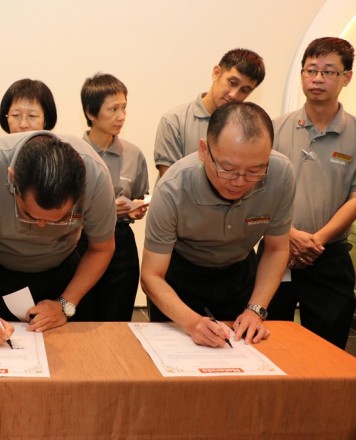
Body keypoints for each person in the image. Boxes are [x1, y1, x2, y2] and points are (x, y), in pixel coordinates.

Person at [141, 102, 295, 347]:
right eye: (228, 168)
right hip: (181, 280)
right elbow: (151, 275)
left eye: (255, 170)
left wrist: (255, 310)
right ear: (204, 150)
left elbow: (276, 248)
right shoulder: (172, 189)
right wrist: (191, 323)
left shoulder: (281, 174)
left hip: (239, 274)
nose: (240, 181)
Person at [0, 132, 116, 347]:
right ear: (12, 179)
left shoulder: (95, 176)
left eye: (57, 219)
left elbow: (101, 249)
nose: (41, 226)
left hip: (63, 274)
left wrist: (65, 304)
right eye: (29, 215)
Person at [269, 37, 356, 349]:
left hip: (328, 256)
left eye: (328, 71)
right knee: (266, 344)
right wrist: (289, 235)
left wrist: (316, 241)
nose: (317, 78)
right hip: (276, 251)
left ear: (346, 77)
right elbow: (258, 190)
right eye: (310, 70)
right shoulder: (274, 129)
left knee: (328, 350)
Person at [77, 73, 149, 321]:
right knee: (80, 317)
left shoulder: (133, 154)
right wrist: (104, 209)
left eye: (124, 108)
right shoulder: (74, 152)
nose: (121, 116)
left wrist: (137, 208)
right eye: (113, 109)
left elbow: (141, 197)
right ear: (91, 113)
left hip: (121, 244)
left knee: (118, 319)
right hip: (81, 242)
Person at [154, 48, 266, 178]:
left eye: (244, 90)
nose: (234, 94)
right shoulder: (174, 122)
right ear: (216, 73)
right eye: (232, 83)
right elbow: (170, 184)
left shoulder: (250, 129)